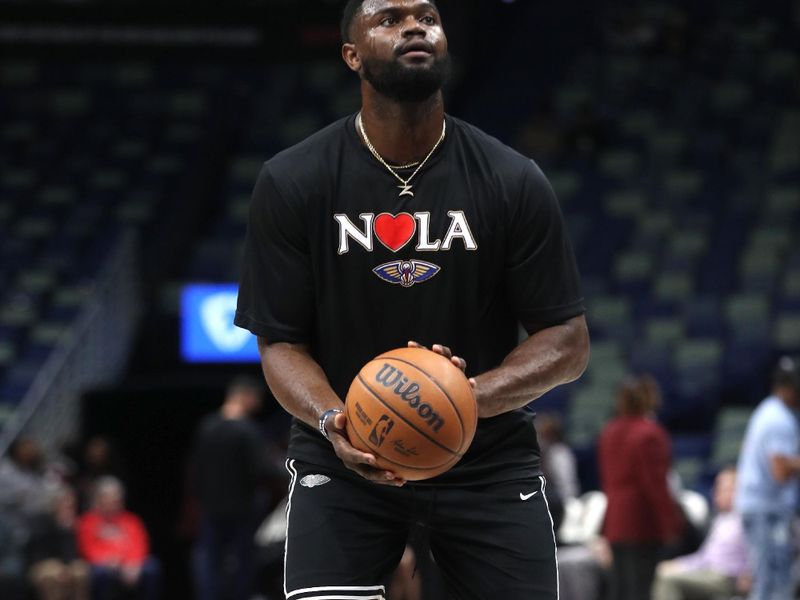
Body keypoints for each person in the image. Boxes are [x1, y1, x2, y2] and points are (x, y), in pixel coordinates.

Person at [234, 1, 590, 598]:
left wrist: (463, 397)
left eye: (428, 16)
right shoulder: (294, 180)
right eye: (389, 19)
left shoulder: (512, 178)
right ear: (351, 55)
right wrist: (334, 419)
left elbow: (568, 343)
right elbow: (280, 344)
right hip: (342, 460)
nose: (415, 27)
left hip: (487, 460)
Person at [598, 375, 684, 600]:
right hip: (642, 523)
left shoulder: (609, 431)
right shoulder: (650, 433)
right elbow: (655, 485)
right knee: (641, 590)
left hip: (616, 521)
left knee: (620, 589)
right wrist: (670, 524)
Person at [190, 375, 265, 600]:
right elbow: (258, 470)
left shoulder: (206, 426)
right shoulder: (248, 430)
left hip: (210, 507)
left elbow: (196, 469)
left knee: (210, 563)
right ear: (246, 396)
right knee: (243, 563)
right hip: (242, 509)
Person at [735, 356, 800, 600]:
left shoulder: (768, 410)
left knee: (769, 580)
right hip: (767, 511)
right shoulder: (779, 419)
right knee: (775, 582)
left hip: (761, 508)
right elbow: (781, 472)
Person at [652, 468, 749, 600]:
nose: (716, 493)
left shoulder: (748, 520)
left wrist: (749, 572)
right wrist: (678, 565)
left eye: (724, 488)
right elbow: (705, 557)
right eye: (717, 487)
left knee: (668, 581)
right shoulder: (721, 520)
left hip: (727, 578)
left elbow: (758, 553)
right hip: (708, 573)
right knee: (661, 571)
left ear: (739, 491)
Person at [77, 476, 160, 600]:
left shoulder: (132, 520)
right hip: (103, 564)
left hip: (129, 564)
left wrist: (132, 563)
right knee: (99, 572)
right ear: (99, 500)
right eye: (108, 499)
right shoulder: (88, 521)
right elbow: (87, 549)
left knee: (152, 567)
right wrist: (109, 560)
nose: (113, 503)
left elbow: (140, 544)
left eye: (116, 499)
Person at [26, 485, 90, 600]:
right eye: (66, 504)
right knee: (52, 575)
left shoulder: (71, 524)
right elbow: (38, 552)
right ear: (55, 504)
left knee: (81, 571)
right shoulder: (41, 521)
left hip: (66, 563)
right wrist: (57, 566)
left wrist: (66, 529)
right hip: (43, 563)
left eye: (72, 505)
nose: (69, 508)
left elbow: (74, 553)